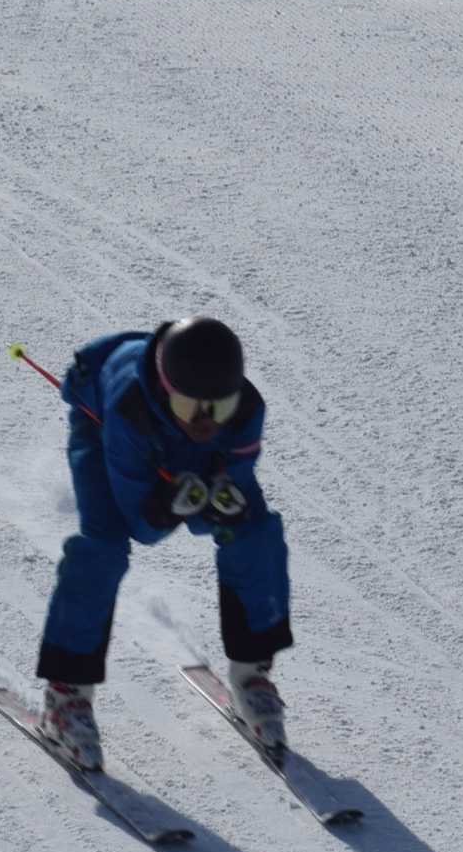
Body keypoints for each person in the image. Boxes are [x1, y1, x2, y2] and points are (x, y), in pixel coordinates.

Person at [35, 317, 293, 771]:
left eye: (219, 406)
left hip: (169, 433)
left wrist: (219, 506)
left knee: (257, 533)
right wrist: (167, 509)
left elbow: (230, 487)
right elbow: (141, 526)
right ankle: (65, 695)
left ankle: (251, 673)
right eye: (193, 407)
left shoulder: (244, 410)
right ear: (167, 389)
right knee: (103, 548)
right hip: (105, 430)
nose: (206, 422)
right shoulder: (129, 408)